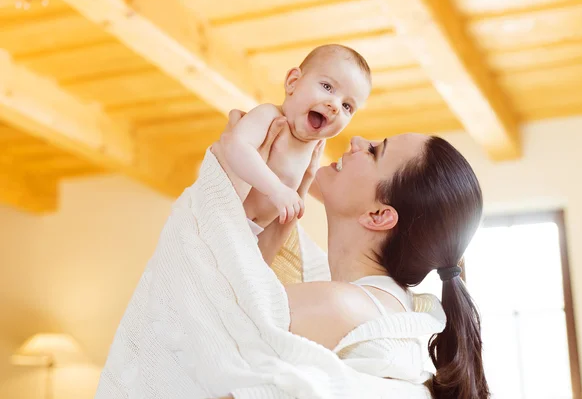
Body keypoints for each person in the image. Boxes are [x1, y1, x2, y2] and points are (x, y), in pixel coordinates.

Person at [95, 114, 489, 399]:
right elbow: (244, 313)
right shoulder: (377, 306)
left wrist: (224, 193)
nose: (356, 141)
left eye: (374, 151)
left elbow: (203, 319)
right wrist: (270, 225)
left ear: (380, 215)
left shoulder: (338, 305)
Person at [220, 44, 371, 233]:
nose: (335, 105)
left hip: (251, 234)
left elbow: (308, 183)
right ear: (293, 82)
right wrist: (275, 189)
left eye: (347, 106)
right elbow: (236, 146)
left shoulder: (313, 148)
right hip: (221, 218)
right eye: (327, 87)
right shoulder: (270, 116)